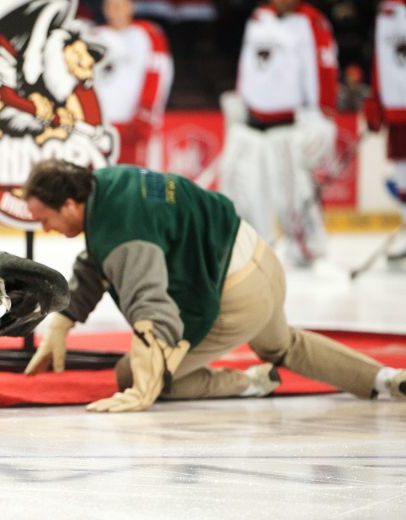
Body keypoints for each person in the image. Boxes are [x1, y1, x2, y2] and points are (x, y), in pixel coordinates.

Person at [22, 159, 405, 412]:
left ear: (71, 205)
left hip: (234, 294)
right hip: (261, 261)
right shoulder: (107, 183)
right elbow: (100, 254)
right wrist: (65, 320)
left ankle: (251, 383)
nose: (46, 229)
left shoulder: (123, 236)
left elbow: (153, 309)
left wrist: (143, 385)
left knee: (133, 374)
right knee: (283, 345)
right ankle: (385, 380)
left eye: (45, 219)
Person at [219, 0, 338, 267]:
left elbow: (324, 69)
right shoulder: (259, 17)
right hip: (252, 122)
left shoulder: (312, 21)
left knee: (292, 194)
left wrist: (324, 116)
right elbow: (247, 65)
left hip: (290, 124)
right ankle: (251, 244)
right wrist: (241, 97)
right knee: (239, 186)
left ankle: (307, 248)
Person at [92, 0, 172, 167]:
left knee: (135, 177)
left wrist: (146, 112)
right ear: (104, 10)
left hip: (135, 122)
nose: (117, 11)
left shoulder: (149, 33)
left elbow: (160, 72)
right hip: (101, 124)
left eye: (121, 5)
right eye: (112, 6)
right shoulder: (93, 36)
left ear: (131, 7)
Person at [364, 0, 406, 264]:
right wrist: (376, 99)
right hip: (398, 110)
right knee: (403, 179)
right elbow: (382, 58)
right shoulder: (385, 15)